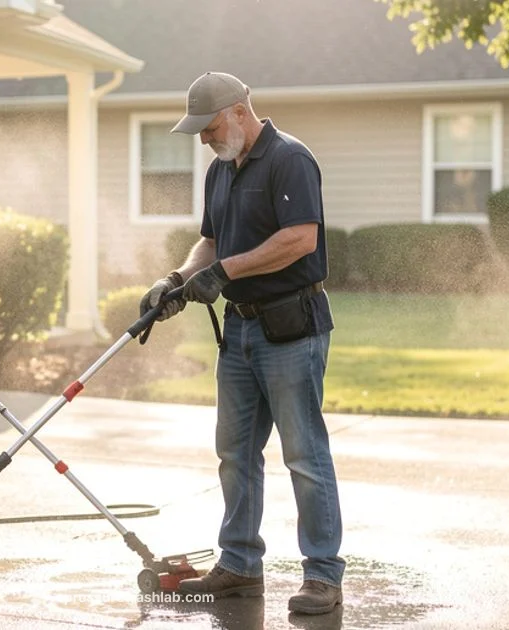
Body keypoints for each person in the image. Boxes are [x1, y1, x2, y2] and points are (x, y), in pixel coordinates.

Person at [139, 72, 344, 615]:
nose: (204, 140)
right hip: (241, 331)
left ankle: (323, 575)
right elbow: (209, 241)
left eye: (207, 129)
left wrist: (226, 271)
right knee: (234, 452)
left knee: (304, 454)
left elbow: (301, 239)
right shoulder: (220, 172)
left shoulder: (289, 160)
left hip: (291, 329)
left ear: (236, 111)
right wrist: (178, 280)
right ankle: (239, 565)